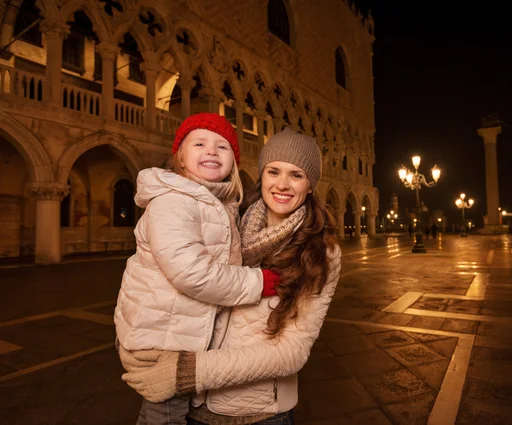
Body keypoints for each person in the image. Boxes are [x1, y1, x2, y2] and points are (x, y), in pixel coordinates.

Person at [120, 127, 342, 425]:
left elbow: (292, 352)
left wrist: (187, 371)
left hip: (258, 414)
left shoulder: (320, 252)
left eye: (297, 175)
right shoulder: (230, 222)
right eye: (274, 171)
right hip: (194, 407)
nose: (283, 185)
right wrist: (142, 341)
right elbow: (172, 280)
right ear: (261, 175)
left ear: (310, 185)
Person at [114, 113, 281, 425]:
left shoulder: (215, 204)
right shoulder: (173, 202)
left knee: (165, 415)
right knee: (166, 418)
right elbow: (192, 273)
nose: (211, 151)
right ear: (180, 157)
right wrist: (260, 282)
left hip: (178, 333)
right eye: (200, 143)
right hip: (163, 340)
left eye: (223, 146)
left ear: (234, 161)